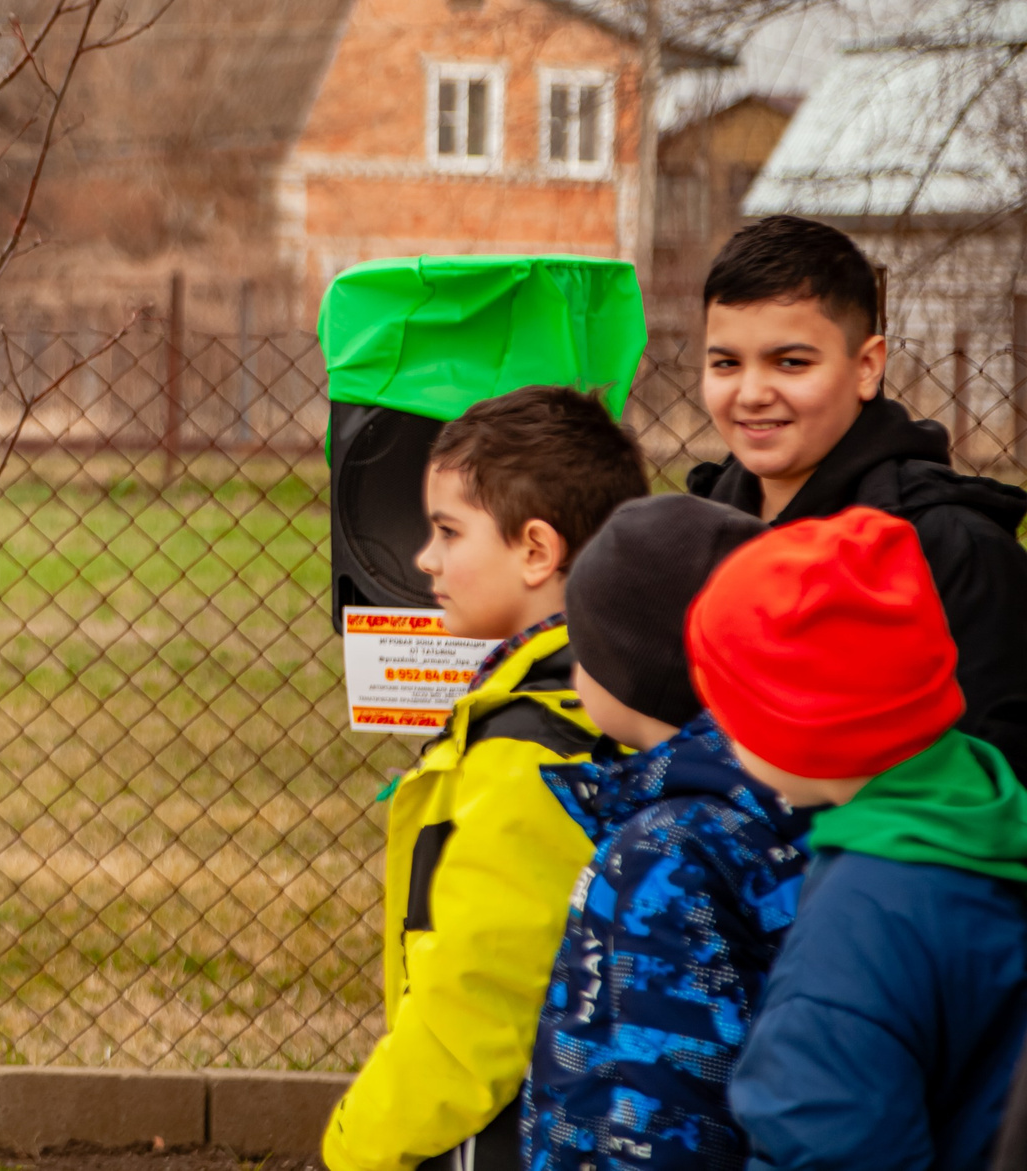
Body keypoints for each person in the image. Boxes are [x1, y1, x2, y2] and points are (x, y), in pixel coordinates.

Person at [324, 386, 649, 1171]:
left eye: (446, 530)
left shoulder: (530, 752)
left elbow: (477, 1006)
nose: (423, 557)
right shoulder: (594, 697)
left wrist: (355, 1147)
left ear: (537, 549)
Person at [687, 507, 1027, 1169]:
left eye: (732, 706)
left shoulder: (858, 925)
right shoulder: (982, 823)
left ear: (800, 727)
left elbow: (823, 1138)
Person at [523, 493, 808, 1170]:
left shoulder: (665, 852)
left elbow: (661, 1099)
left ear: (631, 666)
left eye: (582, 642)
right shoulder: (778, 794)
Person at [685, 214, 1027, 775]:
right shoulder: (698, 530)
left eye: (790, 362)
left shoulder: (950, 548)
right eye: (726, 363)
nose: (751, 393)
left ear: (867, 367)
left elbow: (994, 785)